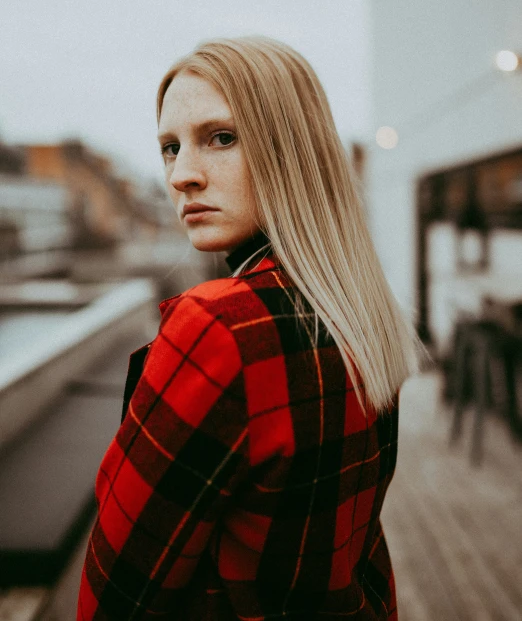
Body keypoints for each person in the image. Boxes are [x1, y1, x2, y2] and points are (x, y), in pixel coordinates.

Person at [76, 36, 426, 620]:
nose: (182, 175)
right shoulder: (358, 313)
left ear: (292, 152)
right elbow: (357, 554)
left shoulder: (219, 328)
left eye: (221, 137)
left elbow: (119, 594)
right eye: (169, 147)